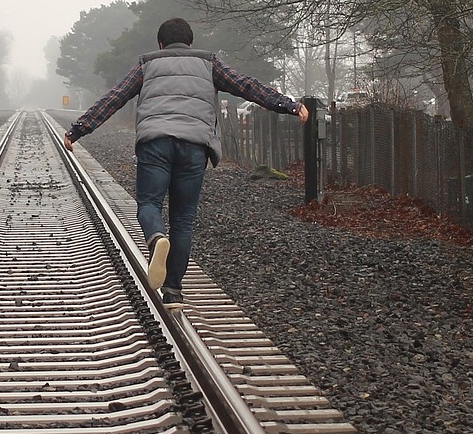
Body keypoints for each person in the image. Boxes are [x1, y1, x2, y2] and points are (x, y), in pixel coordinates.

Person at [63, 17, 308, 308]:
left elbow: (114, 98)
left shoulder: (148, 64)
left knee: (149, 204)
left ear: (161, 44)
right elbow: (248, 86)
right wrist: (290, 105)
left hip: (155, 144)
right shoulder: (209, 63)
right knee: (182, 219)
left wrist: (77, 131)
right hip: (194, 146)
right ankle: (173, 292)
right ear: (190, 43)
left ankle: (155, 239)